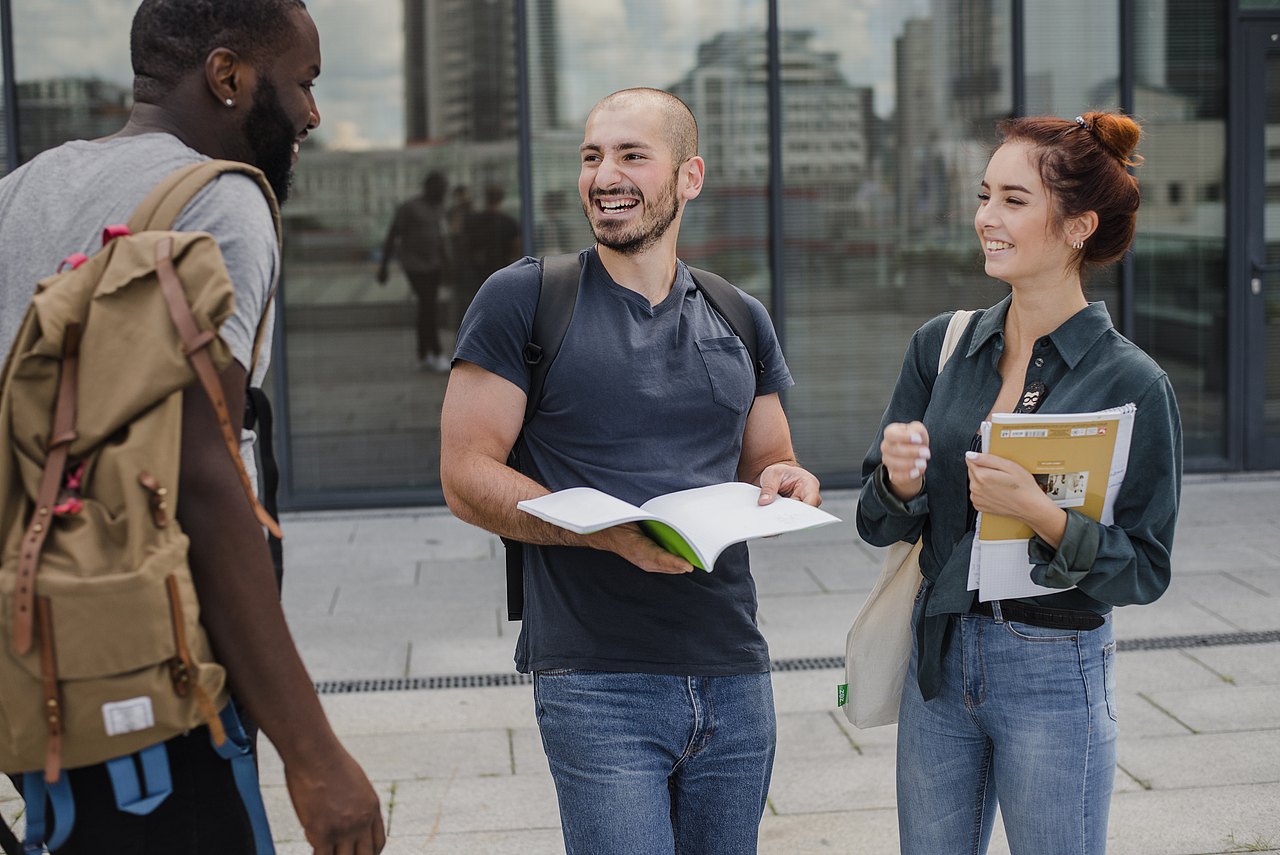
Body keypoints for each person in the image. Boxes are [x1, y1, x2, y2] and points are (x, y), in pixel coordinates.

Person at [0, 1, 386, 852]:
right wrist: (316, 755)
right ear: (227, 76)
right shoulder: (218, 202)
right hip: (158, 659)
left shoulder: (21, 190)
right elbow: (202, 478)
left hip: (35, 648)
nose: (313, 114)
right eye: (303, 83)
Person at [439, 87, 821, 854]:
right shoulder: (525, 299)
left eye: (630, 155)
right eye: (591, 157)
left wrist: (789, 482)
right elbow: (465, 474)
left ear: (689, 177)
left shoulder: (739, 314)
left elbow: (770, 460)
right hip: (594, 677)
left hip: (734, 671)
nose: (604, 174)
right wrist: (607, 532)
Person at [857, 112, 1182, 855]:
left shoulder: (1132, 382)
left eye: (1012, 200)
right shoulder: (941, 346)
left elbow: (1146, 566)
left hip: (1054, 666)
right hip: (936, 660)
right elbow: (877, 521)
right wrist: (898, 483)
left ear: (1077, 226)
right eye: (984, 195)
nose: (985, 218)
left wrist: (1042, 514)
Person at [377, 170, 452, 372]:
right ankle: (436, 353)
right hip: (415, 265)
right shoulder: (410, 208)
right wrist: (383, 266)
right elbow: (393, 234)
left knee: (426, 308)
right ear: (429, 187)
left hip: (434, 265)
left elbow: (441, 237)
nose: (445, 192)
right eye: (442, 188)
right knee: (429, 306)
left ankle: (423, 354)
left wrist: (447, 264)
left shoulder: (439, 208)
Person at [456, 183, 520, 319]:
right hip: (501, 271)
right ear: (501, 199)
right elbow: (516, 250)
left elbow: (464, 245)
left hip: (476, 272)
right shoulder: (508, 222)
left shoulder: (473, 221)